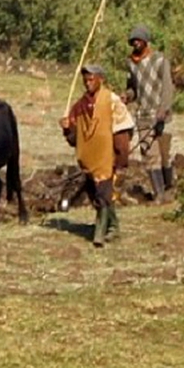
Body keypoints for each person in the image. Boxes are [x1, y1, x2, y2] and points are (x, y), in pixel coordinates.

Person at [60, 65, 119, 247]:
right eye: (85, 80)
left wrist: (121, 155)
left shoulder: (112, 100)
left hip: (107, 155)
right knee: (97, 193)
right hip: (89, 158)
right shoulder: (79, 106)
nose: (88, 83)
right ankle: (114, 226)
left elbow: (124, 129)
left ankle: (99, 235)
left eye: (91, 79)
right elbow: (74, 139)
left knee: (102, 193)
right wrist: (67, 128)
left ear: (100, 79)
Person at [123, 24, 174, 203]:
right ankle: (158, 193)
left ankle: (169, 190)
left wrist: (163, 109)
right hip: (143, 116)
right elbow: (133, 89)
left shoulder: (160, 60)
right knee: (150, 156)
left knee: (164, 155)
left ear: (146, 41)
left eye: (139, 40)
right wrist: (127, 96)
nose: (136, 43)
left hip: (161, 115)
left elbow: (168, 88)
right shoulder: (130, 63)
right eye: (133, 41)